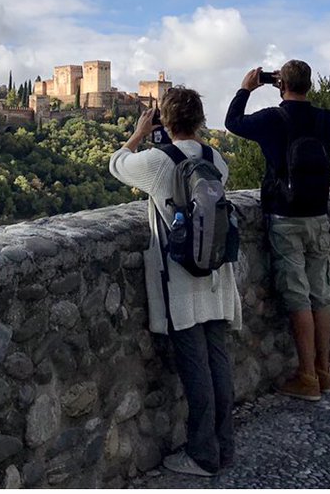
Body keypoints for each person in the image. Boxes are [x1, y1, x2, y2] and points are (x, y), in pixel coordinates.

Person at [109, 87, 239, 478]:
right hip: (217, 274)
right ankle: (224, 446)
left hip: (180, 279)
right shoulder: (217, 160)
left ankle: (202, 455)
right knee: (219, 362)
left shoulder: (158, 162)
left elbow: (116, 164)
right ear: (200, 119)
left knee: (195, 368)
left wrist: (137, 135)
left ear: (165, 120)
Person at [225, 60, 330, 401]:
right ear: (310, 85)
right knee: (321, 294)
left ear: (281, 84)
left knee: (298, 296)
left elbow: (233, 122)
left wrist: (246, 88)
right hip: (320, 213)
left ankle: (306, 377)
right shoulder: (325, 119)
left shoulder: (274, 118)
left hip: (286, 215)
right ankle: (325, 372)